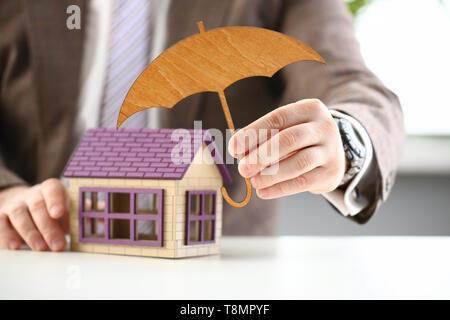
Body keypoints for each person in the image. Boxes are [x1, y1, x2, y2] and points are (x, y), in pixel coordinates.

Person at [0, 0, 404, 251]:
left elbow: (353, 84)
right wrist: (6, 190)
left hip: (219, 273)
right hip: (45, 253)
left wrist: (344, 139)